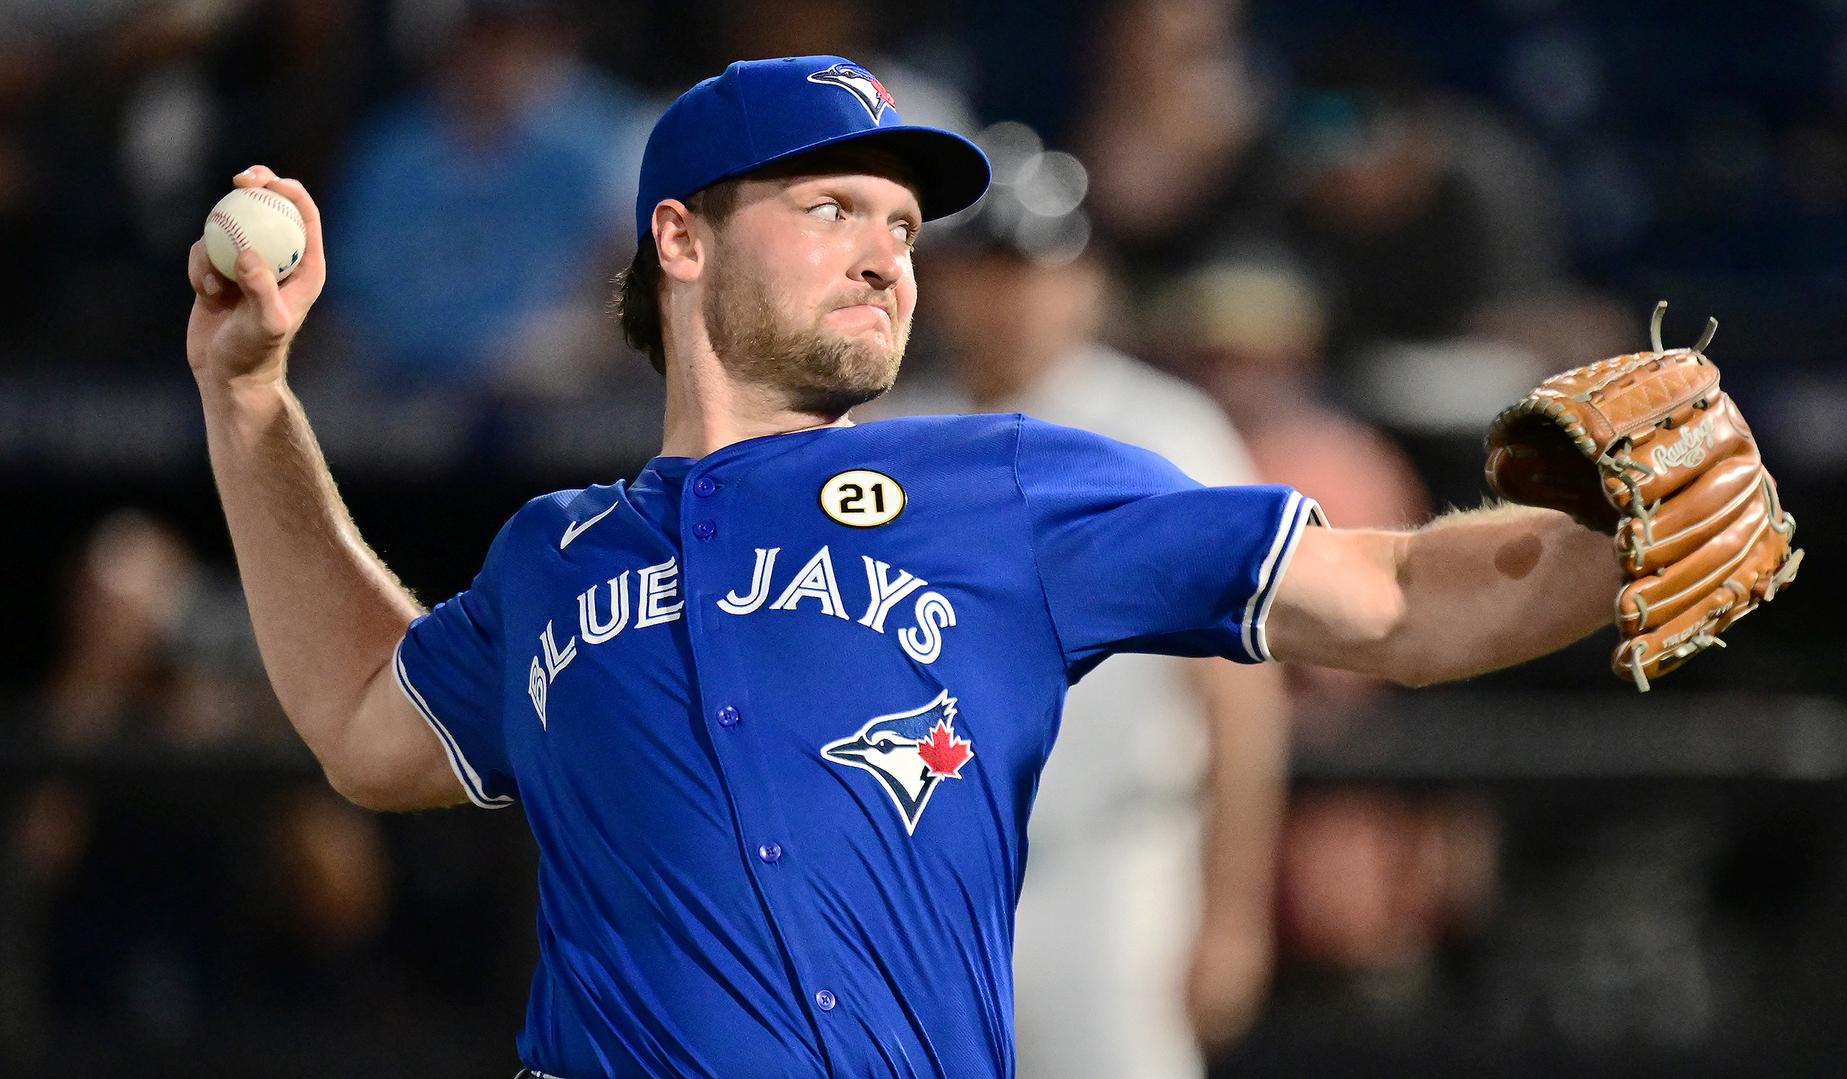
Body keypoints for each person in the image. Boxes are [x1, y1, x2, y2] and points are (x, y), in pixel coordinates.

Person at [183, 54, 1620, 1079]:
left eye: (898, 221)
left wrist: (1610, 534)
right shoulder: (559, 553)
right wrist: (250, 403)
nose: (887, 254)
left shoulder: (998, 482)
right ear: (679, 237)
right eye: (829, 210)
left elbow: (1397, 599)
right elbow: (369, 721)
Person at [877, 127, 1287, 1077]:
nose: (1016, 296)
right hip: (922, 875)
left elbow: (1241, 698)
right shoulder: (883, 440)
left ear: (1090, 281)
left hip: (1114, 867)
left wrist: (1231, 911)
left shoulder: (1162, 433)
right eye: (990, 267)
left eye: (1040, 267)